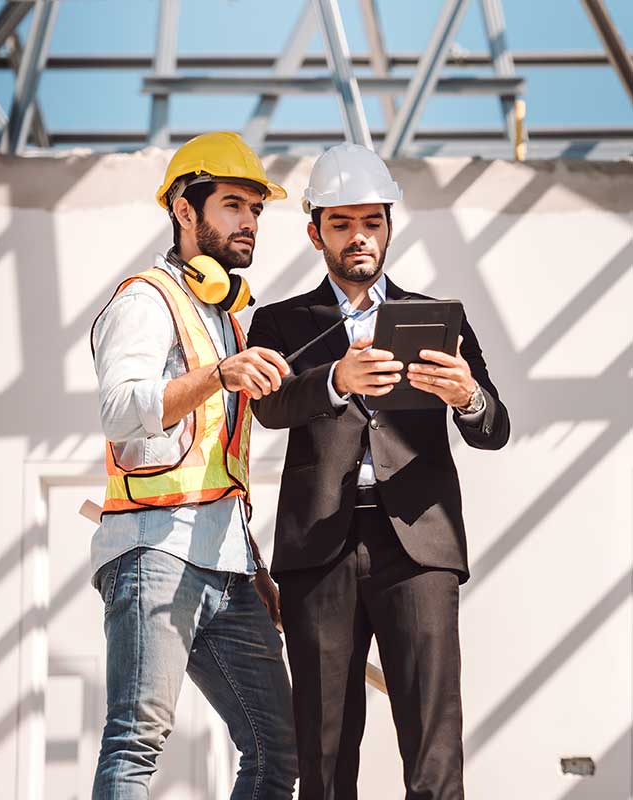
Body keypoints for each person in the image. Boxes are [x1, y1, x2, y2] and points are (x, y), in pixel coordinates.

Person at [247, 142, 510, 800]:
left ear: (389, 225)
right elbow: (269, 409)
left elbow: (494, 429)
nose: (359, 236)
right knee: (324, 750)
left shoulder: (437, 319)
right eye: (341, 222)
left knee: (433, 745)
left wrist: (467, 397)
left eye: (371, 221)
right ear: (315, 232)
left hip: (419, 549)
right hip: (319, 555)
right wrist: (334, 379)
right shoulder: (278, 322)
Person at [90, 131, 297, 799]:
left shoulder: (230, 319)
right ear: (185, 209)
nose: (249, 223)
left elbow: (217, 461)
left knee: (276, 752)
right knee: (136, 742)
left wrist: (255, 564)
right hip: (153, 551)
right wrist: (218, 374)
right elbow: (122, 410)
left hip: (229, 569)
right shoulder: (145, 299)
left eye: (257, 210)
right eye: (234, 204)